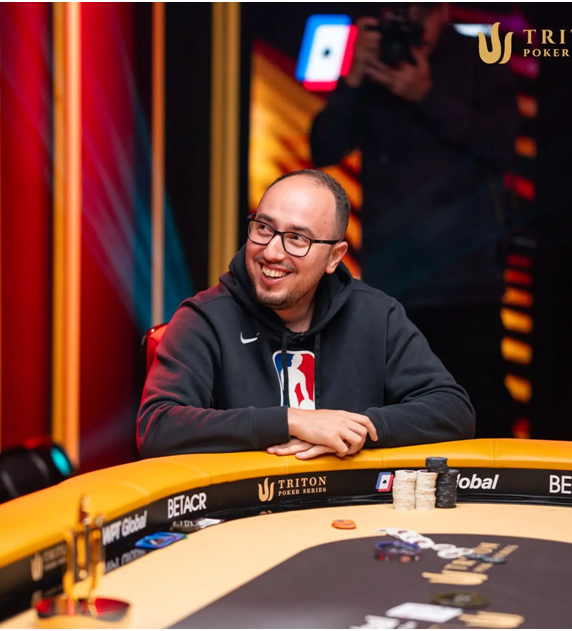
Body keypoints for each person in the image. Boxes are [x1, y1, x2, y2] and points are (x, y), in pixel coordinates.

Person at [137, 169, 475, 459]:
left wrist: (353, 430)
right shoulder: (203, 318)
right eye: (263, 228)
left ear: (334, 257)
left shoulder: (376, 315)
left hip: (350, 506)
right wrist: (291, 421)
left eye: (297, 238)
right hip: (245, 507)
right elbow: (158, 426)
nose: (272, 252)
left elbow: (453, 410)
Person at [309, 2, 519, 438]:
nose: (409, 23)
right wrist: (352, 78)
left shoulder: (480, 59)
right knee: (390, 408)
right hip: (393, 279)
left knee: (481, 405)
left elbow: (501, 147)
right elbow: (324, 147)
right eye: (398, 11)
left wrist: (427, 96)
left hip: (465, 279)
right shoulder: (374, 59)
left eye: (420, 12)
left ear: (442, 11)